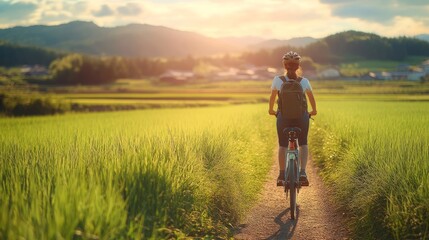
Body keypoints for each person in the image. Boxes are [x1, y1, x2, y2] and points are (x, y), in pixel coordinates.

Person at [268, 51, 317, 186]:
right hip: (301, 118)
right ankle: (302, 172)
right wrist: (313, 111)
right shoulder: (304, 81)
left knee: (283, 145)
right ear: (298, 66)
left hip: (283, 118)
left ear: (285, 66)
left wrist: (271, 111)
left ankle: (282, 174)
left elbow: (272, 99)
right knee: (303, 144)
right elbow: (312, 100)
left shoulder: (278, 80)